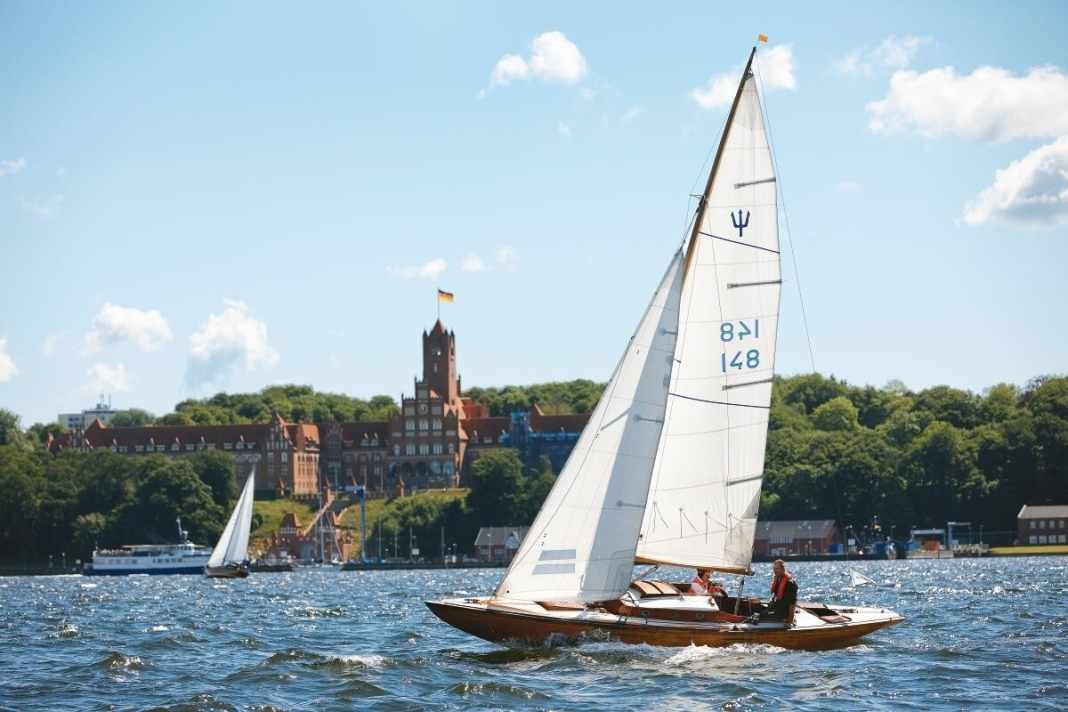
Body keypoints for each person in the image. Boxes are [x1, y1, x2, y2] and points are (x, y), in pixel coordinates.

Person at [765, 559, 798, 625]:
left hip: (783, 613)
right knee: (758, 611)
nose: (775, 571)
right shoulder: (778, 579)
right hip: (777, 608)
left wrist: (790, 620)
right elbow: (775, 596)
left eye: (777, 568)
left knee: (761, 616)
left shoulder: (790, 583)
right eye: (774, 569)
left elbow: (793, 603)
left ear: (783, 569)